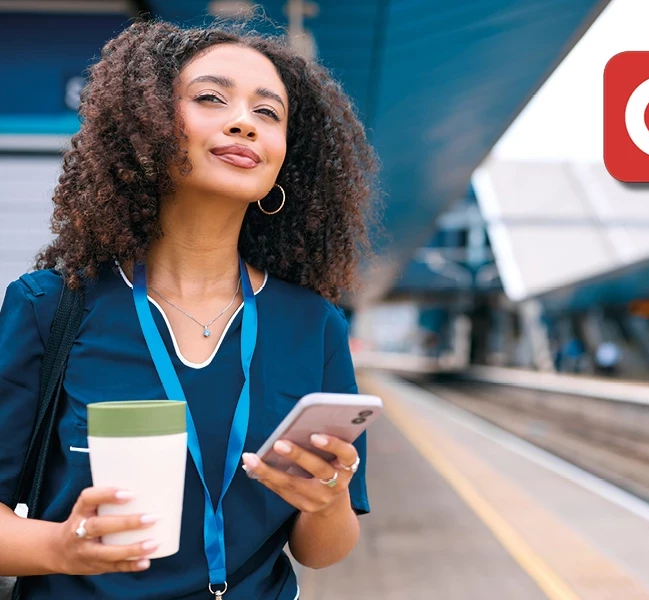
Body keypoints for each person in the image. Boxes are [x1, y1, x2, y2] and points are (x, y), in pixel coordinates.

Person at [0, 17, 380, 600]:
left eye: (268, 112)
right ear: (145, 127)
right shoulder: (48, 307)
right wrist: (58, 548)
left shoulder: (314, 324)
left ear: (285, 160)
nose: (242, 122)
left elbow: (320, 551)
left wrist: (326, 502)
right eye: (211, 98)